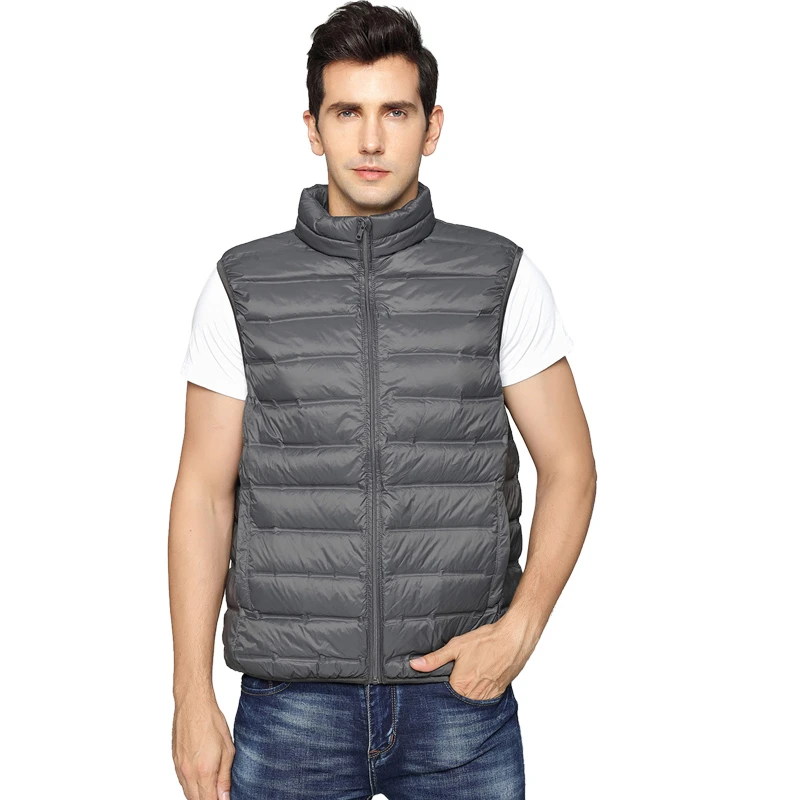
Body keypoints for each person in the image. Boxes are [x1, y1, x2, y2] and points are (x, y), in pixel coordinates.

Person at [169, 2, 597, 798]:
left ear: (432, 127)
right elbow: (203, 491)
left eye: (395, 112)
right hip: (291, 703)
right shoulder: (243, 285)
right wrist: (190, 694)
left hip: (458, 696)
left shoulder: (499, 277)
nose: (371, 141)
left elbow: (571, 466)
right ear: (313, 127)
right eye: (347, 112)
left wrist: (521, 628)